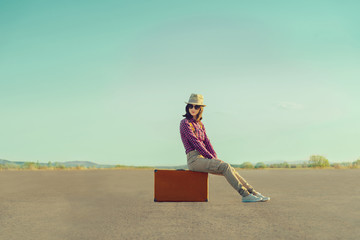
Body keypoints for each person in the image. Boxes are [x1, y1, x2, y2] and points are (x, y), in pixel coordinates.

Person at [179, 93, 270, 202]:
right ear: (187, 107)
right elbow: (196, 143)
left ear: (200, 109)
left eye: (196, 106)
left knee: (229, 168)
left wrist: (214, 157)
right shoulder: (184, 123)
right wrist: (211, 158)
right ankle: (245, 195)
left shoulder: (200, 124)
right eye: (190, 106)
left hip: (203, 157)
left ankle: (253, 192)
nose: (193, 109)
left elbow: (207, 142)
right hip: (194, 159)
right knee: (225, 166)